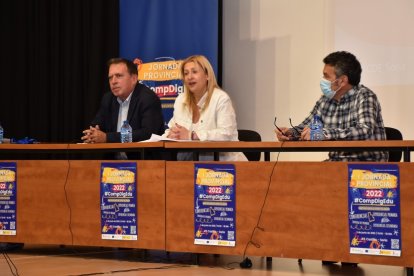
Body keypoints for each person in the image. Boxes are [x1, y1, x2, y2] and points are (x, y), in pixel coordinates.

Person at [275, 51, 388, 162]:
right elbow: (307, 127)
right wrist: (290, 133)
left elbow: (364, 130)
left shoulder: (365, 96)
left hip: (367, 167)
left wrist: (324, 133)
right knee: (300, 176)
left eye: (326, 76)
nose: (323, 80)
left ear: (342, 81)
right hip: (336, 163)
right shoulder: (325, 101)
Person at [163, 55, 247, 161]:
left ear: (207, 75)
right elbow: (173, 128)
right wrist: (170, 135)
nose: (189, 77)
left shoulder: (220, 99)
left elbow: (226, 135)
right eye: (186, 73)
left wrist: (192, 135)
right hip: (188, 165)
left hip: (225, 167)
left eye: (194, 72)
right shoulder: (181, 100)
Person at [81, 58, 164, 145]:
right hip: (113, 158)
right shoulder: (108, 99)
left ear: (134, 79)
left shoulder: (147, 98)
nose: (113, 82)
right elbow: (96, 124)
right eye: (110, 77)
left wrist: (107, 138)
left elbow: (148, 134)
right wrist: (92, 133)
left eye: (119, 76)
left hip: (142, 157)